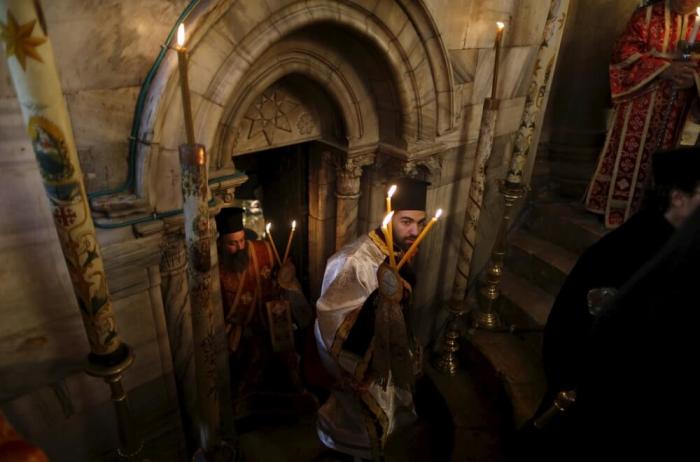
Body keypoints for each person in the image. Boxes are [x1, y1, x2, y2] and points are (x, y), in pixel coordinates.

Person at [521, 147, 700, 459]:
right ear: (678, 197)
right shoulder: (625, 251)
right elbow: (581, 326)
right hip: (599, 395)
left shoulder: (677, 247)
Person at [314, 178, 453, 461]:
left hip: (385, 352)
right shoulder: (355, 260)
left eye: (421, 222)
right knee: (357, 422)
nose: (415, 231)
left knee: (385, 412)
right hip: (357, 363)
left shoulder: (397, 250)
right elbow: (331, 316)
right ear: (388, 217)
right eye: (406, 222)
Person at [584, 0, 700, 228]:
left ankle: (648, 216)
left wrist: (693, 78)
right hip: (640, 103)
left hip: (676, 107)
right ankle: (613, 207)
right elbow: (623, 52)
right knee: (628, 154)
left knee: (662, 160)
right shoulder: (647, 16)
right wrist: (665, 69)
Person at [216, 206, 314, 426]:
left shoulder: (262, 250)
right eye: (232, 244)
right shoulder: (216, 268)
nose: (239, 247)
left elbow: (279, 279)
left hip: (271, 317)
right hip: (241, 329)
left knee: (288, 354)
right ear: (221, 243)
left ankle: (294, 402)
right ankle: (246, 409)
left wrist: (285, 276)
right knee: (249, 357)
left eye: (241, 241)